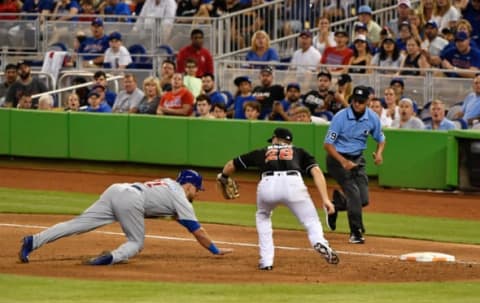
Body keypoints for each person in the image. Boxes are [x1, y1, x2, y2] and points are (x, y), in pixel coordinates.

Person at [19, 170, 233, 265]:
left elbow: (167, 211)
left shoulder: (169, 183)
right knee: (136, 242)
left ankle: (33, 240)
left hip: (117, 190)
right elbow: (197, 231)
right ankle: (110, 258)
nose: (197, 194)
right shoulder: (181, 198)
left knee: (76, 224)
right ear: (189, 186)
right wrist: (215, 250)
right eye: (197, 189)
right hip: (131, 199)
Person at [219, 127, 339, 270]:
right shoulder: (299, 151)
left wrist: (223, 177)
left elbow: (231, 164)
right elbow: (317, 172)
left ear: (275, 139)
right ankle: (319, 241)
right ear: (290, 142)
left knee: (263, 216)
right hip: (294, 183)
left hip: (267, 184)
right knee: (311, 221)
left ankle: (266, 261)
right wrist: (325, 199)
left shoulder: (263, 151)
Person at [324, 85, 386, 244]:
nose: (357, 104)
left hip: (357, 159)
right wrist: (343, 162)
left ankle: (335, 206)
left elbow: (380, 138)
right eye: (354, 100)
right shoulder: (340, 117)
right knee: (353, 192)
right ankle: (356, 232)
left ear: (367, 101)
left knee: (363, 199)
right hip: (337, 159)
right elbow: (328, 145)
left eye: (360, 101)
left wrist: (379, 153)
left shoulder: (372, 118)